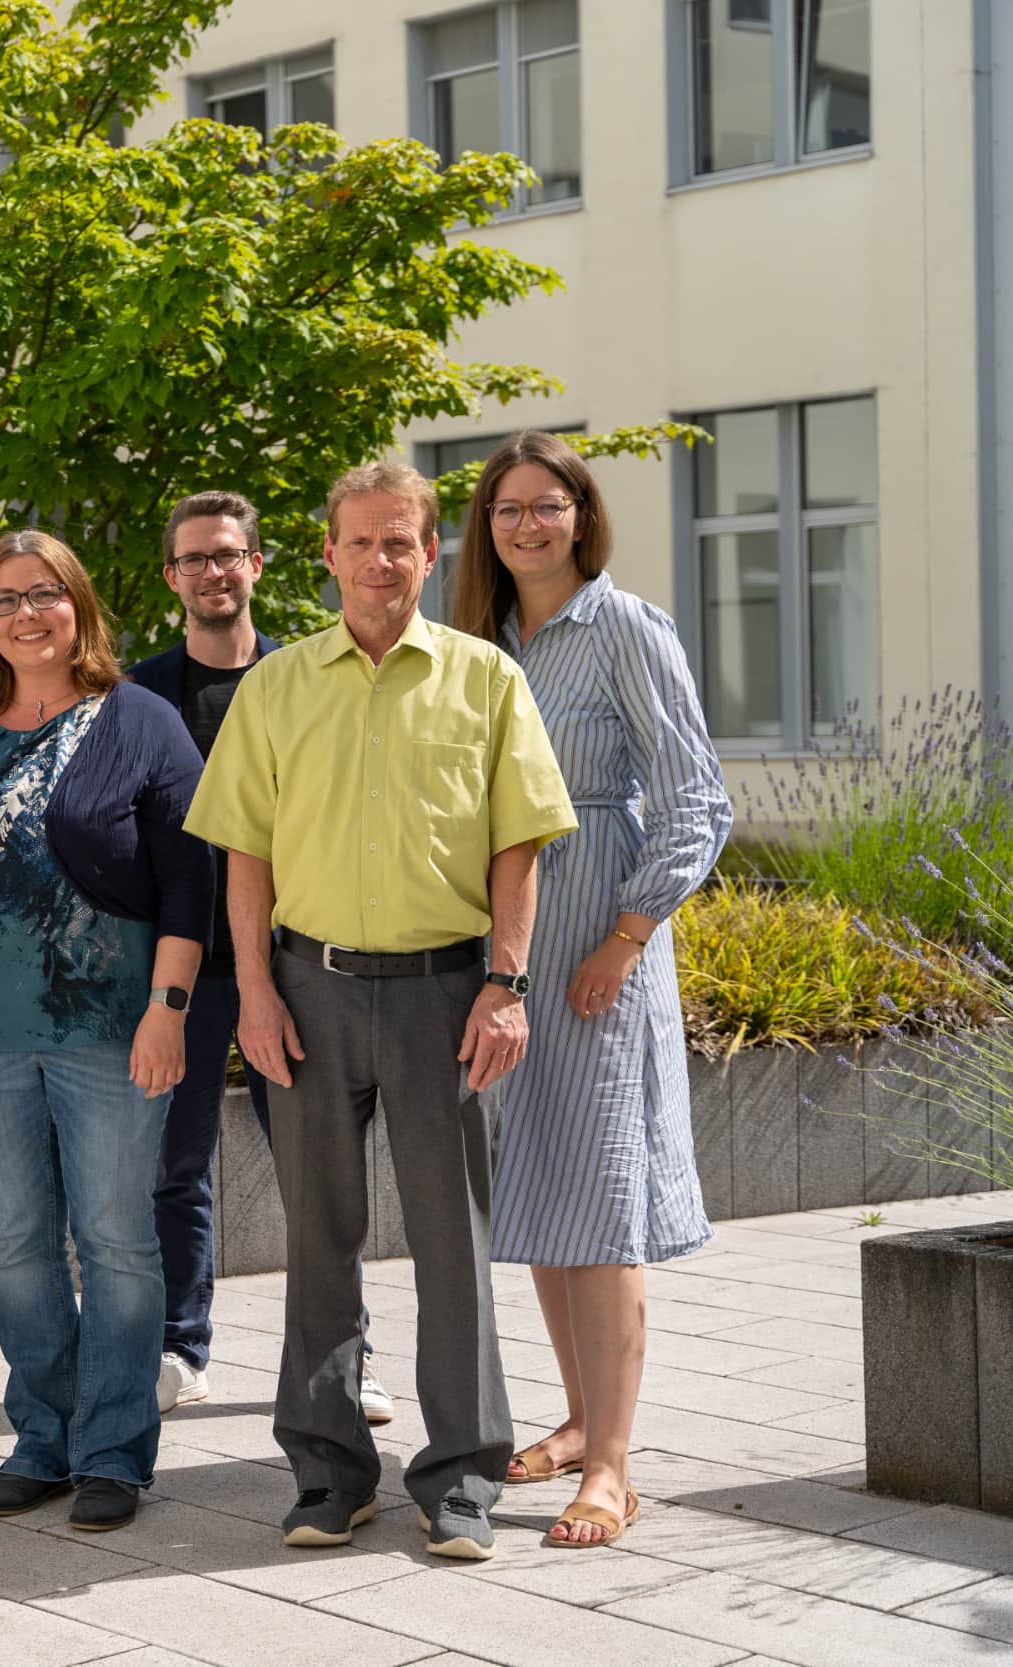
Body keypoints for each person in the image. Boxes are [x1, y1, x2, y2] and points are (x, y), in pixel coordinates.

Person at [186, 460, 577, 1562]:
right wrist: (254, 993)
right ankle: (325, 1471)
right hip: (305, 991)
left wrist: (506, 985)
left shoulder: (486, 679)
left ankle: (459, 1479)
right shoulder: (276, 687)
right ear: (326, 554)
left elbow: (519, 847)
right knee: (318, 1241)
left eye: (399, 541)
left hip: (445, 994)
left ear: (429, 550)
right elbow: (244, 856)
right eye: (358, 541)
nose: (378, 560)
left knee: (452, 1245)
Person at [0, 529, 213, 1534]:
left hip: (113, 1030)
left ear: (79, 606)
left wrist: (169, 1007)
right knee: (16, 1242)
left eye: (45, 595)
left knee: (114, 1240)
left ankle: (113, 1448)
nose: (26, 614)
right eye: (5, 598)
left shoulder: (140, 720)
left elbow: (190, 880)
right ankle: (42, 1436)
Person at [450, 433, 731, 1550]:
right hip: (503, 952)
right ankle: (573, 1419)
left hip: (596, 954)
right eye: (508, 508)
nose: (526, 524)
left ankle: (611, 1465)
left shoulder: (623, 626)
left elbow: (696, 801)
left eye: (546, 505)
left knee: (602, 1206)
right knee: (546, 1196)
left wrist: (624, 936)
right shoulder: (476, 641)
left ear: (581, 514)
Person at [129, 494, 395, 1427]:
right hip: (181, 971)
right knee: (174, 1166)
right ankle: (178, 1345)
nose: (213, 572)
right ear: (173, 576)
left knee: (320, 1169)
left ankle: (349, 1355)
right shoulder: (138, 694)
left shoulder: (309, 675)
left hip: (298, 963)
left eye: (229, 556)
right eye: (195, 558)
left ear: (258, 566)